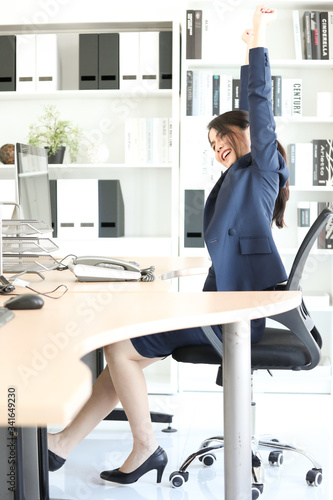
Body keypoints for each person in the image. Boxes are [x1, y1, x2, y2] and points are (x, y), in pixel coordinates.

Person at [47, 5, 289, 484]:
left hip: (235, 315)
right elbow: (230, 248)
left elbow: (260, 101)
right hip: (219, 304)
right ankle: (60, 445)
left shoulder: (262, 169)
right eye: (211, 144)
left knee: (120, 349)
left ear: (247, 134)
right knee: (121, 355)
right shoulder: (240, 180)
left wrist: (255, 41)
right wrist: (180, 277)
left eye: (221, 138)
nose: (217, 148)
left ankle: (146, 447)